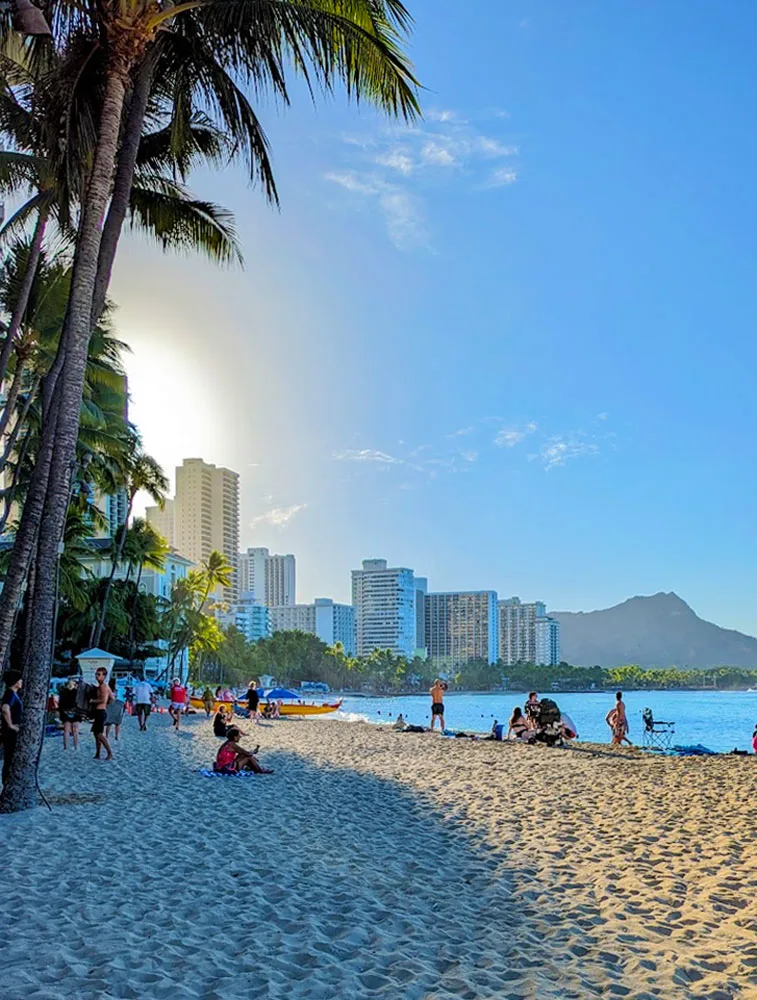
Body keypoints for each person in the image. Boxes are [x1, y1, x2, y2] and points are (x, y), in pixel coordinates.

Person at [1, 670, 23, 785]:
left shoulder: (13, 694)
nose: (21, 681)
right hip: (10, 732)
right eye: (19, 679)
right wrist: (10, 725)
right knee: (10, 758)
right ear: (15, 681)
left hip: (11, 731)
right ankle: (7, 783)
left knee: (10, 757)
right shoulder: (10, 693)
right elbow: (5, 709)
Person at [91, 667, 114, 760]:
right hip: (100, 711)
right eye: (96, 674)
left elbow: (102, 700)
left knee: (99, 734)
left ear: (104, 676)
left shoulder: (103, 687)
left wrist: (93, 701)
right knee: (96, 734)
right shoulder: (103, 686)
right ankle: (98, 753)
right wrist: (108, 703)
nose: (97, 676)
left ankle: (110, 753)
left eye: (99, 674)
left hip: (100, 711)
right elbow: (112, 698)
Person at [58, 677, 80, 750]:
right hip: (75, 712)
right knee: (75, 730)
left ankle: (66, 747)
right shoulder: (77, 692)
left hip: (65, 711)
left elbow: (60, 704)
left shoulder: (63, 692)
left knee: (66, 731)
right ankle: (75, 746)